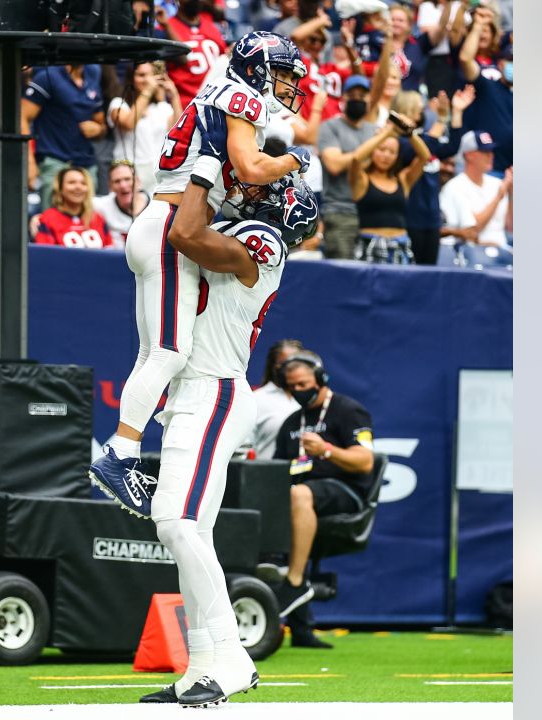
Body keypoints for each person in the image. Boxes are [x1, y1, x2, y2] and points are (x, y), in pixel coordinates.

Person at [89, 32, 312, 517]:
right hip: (170, 223)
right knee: (168, 352)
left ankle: (122, 453)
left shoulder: (220, 91)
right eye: (284, 73)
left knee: (155, 351)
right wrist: (296, 159)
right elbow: (251, 168)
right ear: (258, 69)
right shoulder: (241, 96)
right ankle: (120, 454)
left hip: (157, 219)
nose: (289, 85)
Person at [137, 175, 320, 706]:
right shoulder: (249, 229)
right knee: (190, 533)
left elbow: (186, 235)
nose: (248, 190)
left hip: (212, 393)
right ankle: (201, 667)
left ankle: (234, 658)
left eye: (263, 192)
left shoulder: (263, 242)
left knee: (174, 524)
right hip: (194, 393)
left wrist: (199, 177)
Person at [269, 351, 376, 647]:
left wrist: (327, 450)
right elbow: (278, 469)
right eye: (293, 387)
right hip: (300, 495)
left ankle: (292, 583)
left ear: (321, 379)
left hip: (346, 492)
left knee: (300, 494)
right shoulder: (292, 422)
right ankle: (301, 630)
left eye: (304, 384)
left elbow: (365, 462)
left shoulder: (348, 411)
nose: (299, 391)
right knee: (281, 501)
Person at [348, 92, 433, 264]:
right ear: (373, 152)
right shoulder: (362, 180)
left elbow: (424, 156)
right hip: (369, 243)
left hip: (401, 245)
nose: (386, 156)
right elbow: (356, 158)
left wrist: (409, 133)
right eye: (381, 150)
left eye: (392, 152)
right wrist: (387, 133)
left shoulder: (403, 180)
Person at [402, 84, 473, 264]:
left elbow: (451, 147)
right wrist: (441, 119)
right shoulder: (401, 143)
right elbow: (423, 148)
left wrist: (456, 112)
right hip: (411, 218)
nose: (422, 111)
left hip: (432, 219)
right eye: (418, 108)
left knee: (429, 275)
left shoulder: (426, 138)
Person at [22, 64, 106, 208]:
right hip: (55, 161)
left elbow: (100, 121)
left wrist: (99, 130)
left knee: (87, 220)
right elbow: (22, 117)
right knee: (51, 220)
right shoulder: (48, 75)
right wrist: (29, 162)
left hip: (86, 163)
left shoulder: (94, 71)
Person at [316, 74, 380, 259]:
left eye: (362, 96)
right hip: (340, 211)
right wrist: (366, 155)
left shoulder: (374, 130)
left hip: (373, 214)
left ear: (369, 99)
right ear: (343, 98)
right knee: (342, 276)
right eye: (352, 96)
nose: (357, 100)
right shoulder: (330, 127)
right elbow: (334, 165)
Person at [439, 129, 512, 264]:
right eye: (485, 152)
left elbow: (510, 227)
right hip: (473, 253)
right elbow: (473, 229)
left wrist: (512, 193)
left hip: (503, 250)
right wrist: (499, 196)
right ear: (469, 155)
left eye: (491, 151)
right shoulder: (455, 186)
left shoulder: (497, 183)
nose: (491, 156)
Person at [109, 61, 182, 193]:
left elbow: (177, 131)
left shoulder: (161, 107)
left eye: (150, 75)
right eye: (141, 75)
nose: (147, 80)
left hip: (157, 173)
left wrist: (174, 96)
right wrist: (148, 91)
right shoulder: (118, 103)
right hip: (128, 174)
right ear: (131, 78)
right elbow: (128, 124)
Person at [456, 4, 512, 172]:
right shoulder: (488, 86)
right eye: (511, 60)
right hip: (485, 170)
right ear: (500, 64)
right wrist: (479, 25)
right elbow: (466, 59)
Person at [156, 0, 230, 109]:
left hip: (216, 101)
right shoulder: (164, 28)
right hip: (185, 104)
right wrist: (167, 26)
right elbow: (181, 58)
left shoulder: (209, 24)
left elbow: (224, 57)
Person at [31, 167, 115, 248]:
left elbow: (110, 252)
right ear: (60, 188)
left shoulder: (98, 218)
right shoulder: (48, 218)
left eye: (83, 183)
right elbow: (45, 255)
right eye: (71, 182)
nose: (78, 187)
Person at [250, 339, 305, 460]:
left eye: (296, 363)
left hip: (306, 477)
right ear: (273, 365)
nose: (290, 368)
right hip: (266, 475)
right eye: (284, 363)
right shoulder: (255, 399)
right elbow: (244, 448)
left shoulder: (310, 398)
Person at [93, 161, 150, 246]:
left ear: (137, 181)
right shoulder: (102, 205)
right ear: (110, 186)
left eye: (127, 179)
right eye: (117, 181)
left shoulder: (157, 203)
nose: (123, 185)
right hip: (118, 257)